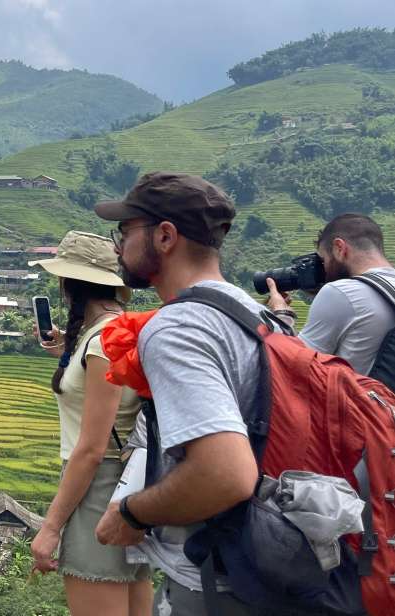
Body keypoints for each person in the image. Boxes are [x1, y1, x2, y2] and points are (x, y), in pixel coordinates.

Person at [91, 172, 261, 615]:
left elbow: (226, 473)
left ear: (165, 236)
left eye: (125, 232)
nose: (116, 246)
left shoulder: (178, 328)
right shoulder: (257, 315)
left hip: (212, 584)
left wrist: (131, 513)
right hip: (269, 569)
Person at [28, 231, 152, 616]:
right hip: (130, 488)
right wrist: (66, 352)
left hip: (98, 489)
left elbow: (91, 448)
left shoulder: (100, 343)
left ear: (67, 284)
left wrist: (50, 528)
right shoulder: (122, 330)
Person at [265, 213, 395, 374]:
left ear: (339, 248)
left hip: (357, 399)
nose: (324, 270)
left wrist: (282, 316)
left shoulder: (341, 292)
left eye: (324, 261)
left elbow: (293, 370)